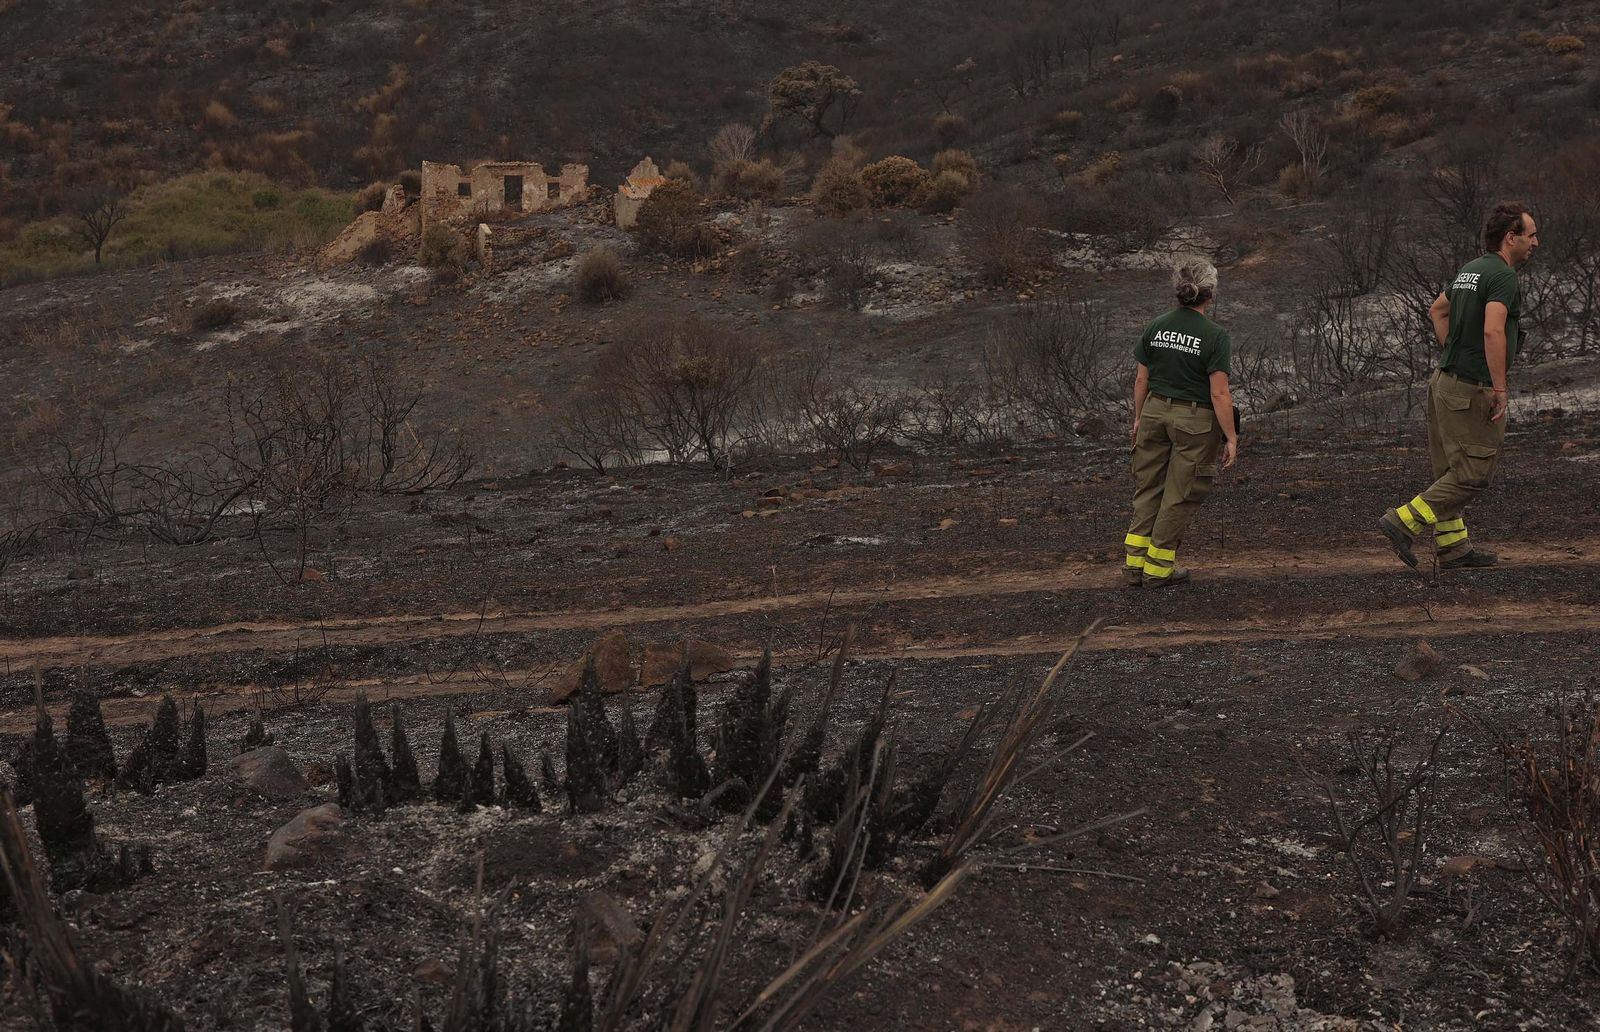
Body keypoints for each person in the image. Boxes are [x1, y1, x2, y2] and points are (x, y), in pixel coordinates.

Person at [1378, 203, 1539, 570]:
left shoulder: (1470, 269)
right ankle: (1403, 521)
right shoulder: (1502, 276)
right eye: (1530, 235)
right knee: (1472, 473)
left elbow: (1438, 310)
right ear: (1510, 238)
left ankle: (1453, 547)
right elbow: (1492, 329)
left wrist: (1454, 350)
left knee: (1449, 470)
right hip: (1470, 390)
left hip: (1444, 383)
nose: (1535, 242)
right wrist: (1499, 387)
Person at [1122, 258, 1239, 587]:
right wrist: (1231, 436)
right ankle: (1158, 569)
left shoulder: (1156, 325)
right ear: (1210, 294)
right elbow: (1219, 394)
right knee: (1180, 494)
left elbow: (1141, 380)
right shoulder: (1215, 336)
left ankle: (1134, 567)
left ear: (1180, 290)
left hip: (1154, 412)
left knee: (1148, 489)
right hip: (1194, 420)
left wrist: (1139, 418)